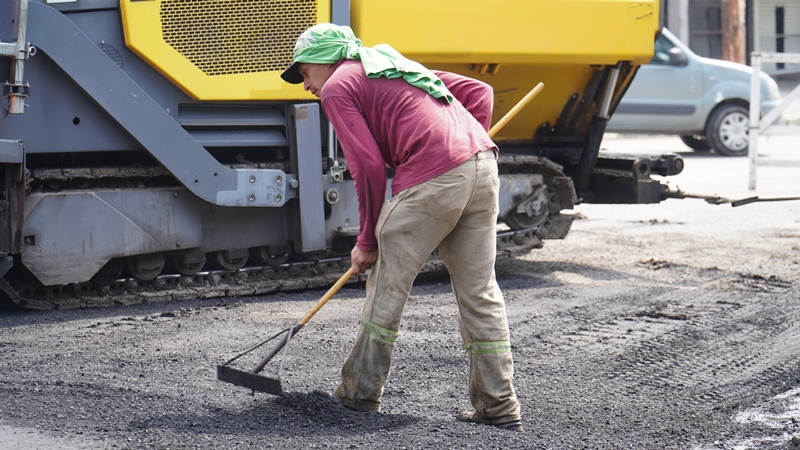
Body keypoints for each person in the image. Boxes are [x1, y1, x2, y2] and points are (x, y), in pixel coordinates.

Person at [281, 23, 522, 432]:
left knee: (386, 284)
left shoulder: (339, 86)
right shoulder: (390, 61)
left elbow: (369, 167)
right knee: (480, 291)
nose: (305, 85)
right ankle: (499, 407)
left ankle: (359, 395)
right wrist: (463, 144)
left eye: (304, 72)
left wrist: (365, 242)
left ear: (326, 60)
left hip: (434, 179)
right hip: (482, 168)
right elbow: (480, 92)